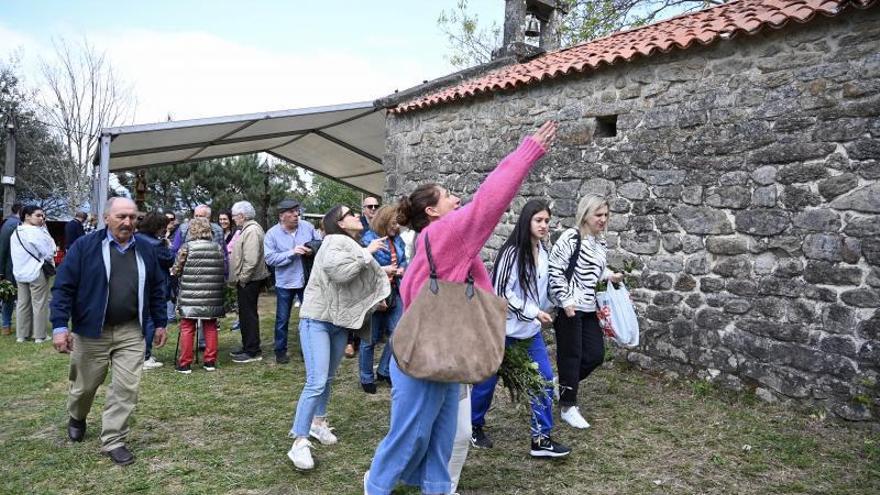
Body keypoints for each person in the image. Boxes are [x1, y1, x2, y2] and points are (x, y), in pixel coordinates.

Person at [365, 121, 557, 495]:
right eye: (449, 196)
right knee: (409, 435)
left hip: (439, 352)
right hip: (425, 357)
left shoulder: (431, 240)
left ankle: (435, 489)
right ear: (434, 212)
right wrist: (527, 151)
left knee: (440, 436)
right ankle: (376, 487)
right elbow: (489, 200)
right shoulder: (446, 233)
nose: (458, 200)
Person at [50, 197, 168, 466]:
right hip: (92, 332)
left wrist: (160, 322)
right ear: (106, 218)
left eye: (132, 217)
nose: (127, 222)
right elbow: (63, 288)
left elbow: (157, 289)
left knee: (126, 388)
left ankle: (114, 439)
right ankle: (77, 416)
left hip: (131, 330)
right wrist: (59, 326)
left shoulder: (146, 249)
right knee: (84, 387)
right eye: (121, 217)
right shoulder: (85, 247)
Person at [286, 204, 389, 470]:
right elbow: (340, 273)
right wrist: (368, 254)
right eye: (351, 213)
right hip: (316, 320)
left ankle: (318, 423)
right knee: (316, 381)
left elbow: (351, 284)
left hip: (338, 323)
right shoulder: (333, 241)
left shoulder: (349, 243)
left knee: (327, 378)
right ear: (340, 223)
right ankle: (299, 441)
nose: (357, 215)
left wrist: (376, 292)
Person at [469, 200, 570, 458]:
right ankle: (473, 425)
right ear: (526, 222)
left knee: (544, 381)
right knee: (485, 384)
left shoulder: (544, 253)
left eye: (547, 221)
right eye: (539, 220)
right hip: (500, 331)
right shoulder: (512, 253)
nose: (544, 225)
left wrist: (564, 301)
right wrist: (533, 311)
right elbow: (502, 292)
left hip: (529, 332)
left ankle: (541, 439)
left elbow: (543, 290)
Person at [547, 194, 623, 430]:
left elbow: (592, 270)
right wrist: (566, 300)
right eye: (598, 215)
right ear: (585, 214)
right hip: (569, 308)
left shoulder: (600, 242)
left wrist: (609, 275)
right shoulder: (571, 237)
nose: (603, 219)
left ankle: (561, 386)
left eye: (606, 215)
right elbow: (555, 269)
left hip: (589, 307)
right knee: (571, 357)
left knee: (595, 355)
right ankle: (568, 406)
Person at [264, 199, 320, 364]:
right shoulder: (272, 234)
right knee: (282, 319)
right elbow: (269, 258)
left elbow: (319, 244)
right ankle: (280, 351)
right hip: (285, 282)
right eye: (291, 212)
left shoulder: (308, 227)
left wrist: (310, 250)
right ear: (282, 216)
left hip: (306, 281)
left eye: (297, 211)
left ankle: (307, 350)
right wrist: (291, 253)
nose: (296, 215)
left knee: (309, 318)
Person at [359, 205, 407, 394]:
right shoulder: (368, 240)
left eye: (399, 224)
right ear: (384, 220)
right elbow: (363, 268)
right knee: (369, 339)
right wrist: (385, 270)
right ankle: (366, 377)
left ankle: (384, 370)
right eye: (394, 223)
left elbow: (403, 261)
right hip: (374, 294)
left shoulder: (399, 240)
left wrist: (403, 269)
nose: (397, 227)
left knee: (397, 335)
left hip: (395, 291)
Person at [171, 218, 225, 374]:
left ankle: (185, 363)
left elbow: (177, 269)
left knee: (187, 327)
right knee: (210, 327)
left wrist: (174, 271)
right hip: (212, 294)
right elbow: (221, 269)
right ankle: (210, 362)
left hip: (190, 294)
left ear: (192, 230)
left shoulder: (186, 247)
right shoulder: (217, 248)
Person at [228, 200, 269, 363]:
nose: (233, 219)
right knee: (245, 315)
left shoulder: (251, 231)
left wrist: (243, 279)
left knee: (249, 315)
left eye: (234, 216)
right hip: (248, 279)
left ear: (242, 216)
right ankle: (247, 346)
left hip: (249, 280)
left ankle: (252, 351)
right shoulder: (248, 229)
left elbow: (251, 260)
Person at [11, 205, 56, 343]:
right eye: (38, 215)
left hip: (20, 271)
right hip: (36, 271)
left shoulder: (16, 232)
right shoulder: (35, 232)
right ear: (27, 216)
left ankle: (22, 335)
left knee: (22, 304)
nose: (41, 218)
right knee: (39, 304)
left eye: (43, 216)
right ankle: (39, 335)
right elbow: (49, 252)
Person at [135, 212, 175, 370]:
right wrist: (167, 246)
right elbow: (169, 259)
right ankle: (145, 356)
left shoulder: (135, 238)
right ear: (158, 228)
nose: (165, 231)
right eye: (163, 228)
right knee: (151, 319)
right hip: (154, 285)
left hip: (137, 284)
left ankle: (139, 353)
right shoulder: (156, 244)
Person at [345, 196, 381, 359]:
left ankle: (362, 339)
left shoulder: (380, 223)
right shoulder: (358, 223)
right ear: (364, 208)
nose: (373, 209)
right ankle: (350, 342)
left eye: (376, 206)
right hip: (358, 267)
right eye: (370, 206)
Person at [0, 203, 22, 336]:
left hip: (14, 266)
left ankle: (8, 325)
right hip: (11, 267)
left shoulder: (11, 223)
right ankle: (6, 325)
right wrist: (1, 270)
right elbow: (3, 248)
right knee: (9, 296)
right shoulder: (11, 224)